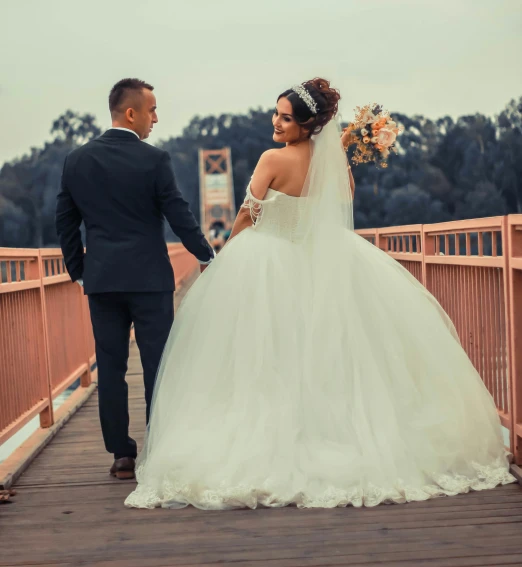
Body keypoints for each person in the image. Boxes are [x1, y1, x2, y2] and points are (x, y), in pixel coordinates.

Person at [125, 78, 515, 509]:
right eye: (275, 113)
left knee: (267, 357)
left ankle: (279, 436)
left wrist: (222, 260)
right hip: (321, 261)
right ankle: (334, 434)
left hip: (267, 259)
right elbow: (337, 210)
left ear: (307, 125)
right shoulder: (337, 167)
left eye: (286, 118)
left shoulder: (272, 159)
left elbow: (247, 216)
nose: (276, 122)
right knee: (328, 354)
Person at [56, 78, 214, 481]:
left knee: (110, 368)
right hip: (149, 279)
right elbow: (178, 214)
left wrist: (79, 272)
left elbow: (66, 224)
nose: (156, 118)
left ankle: (122, 456)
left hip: (103, 280)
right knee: (158, 366)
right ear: (131, 113)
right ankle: (159, 447)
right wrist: (206, 254)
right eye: (152, 110)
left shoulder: (77, 160)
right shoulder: (155, 160)